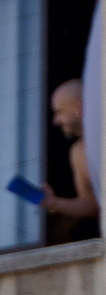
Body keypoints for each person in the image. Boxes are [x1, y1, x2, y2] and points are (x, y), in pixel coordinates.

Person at [44, 79, 99, 225]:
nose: (55, 121)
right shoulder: (78, 153)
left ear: (78, 107)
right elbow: (92, 206)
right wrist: (54, 202)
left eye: (59, 112)